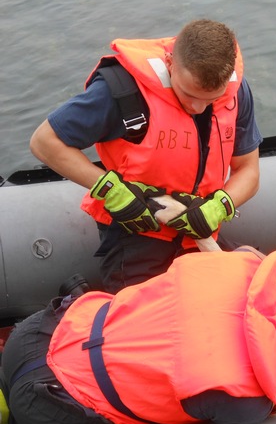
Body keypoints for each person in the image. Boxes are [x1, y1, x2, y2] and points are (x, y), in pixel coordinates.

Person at [0, 247, 276, 424]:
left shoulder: (241, 265)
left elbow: (267, 278)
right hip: (48, 406)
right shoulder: (249, 402)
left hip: (38, 332)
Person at [30, 19, 262, 293]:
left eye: (211, 99)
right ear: (170, 63)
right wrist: (112, 190)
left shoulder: (236, 92)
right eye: (189, 95)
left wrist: (219, 206)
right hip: (136, 234)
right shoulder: (121, 91)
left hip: (198, 228)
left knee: (249, 288)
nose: (199, 108)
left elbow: (249, 171)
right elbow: (44, 141)